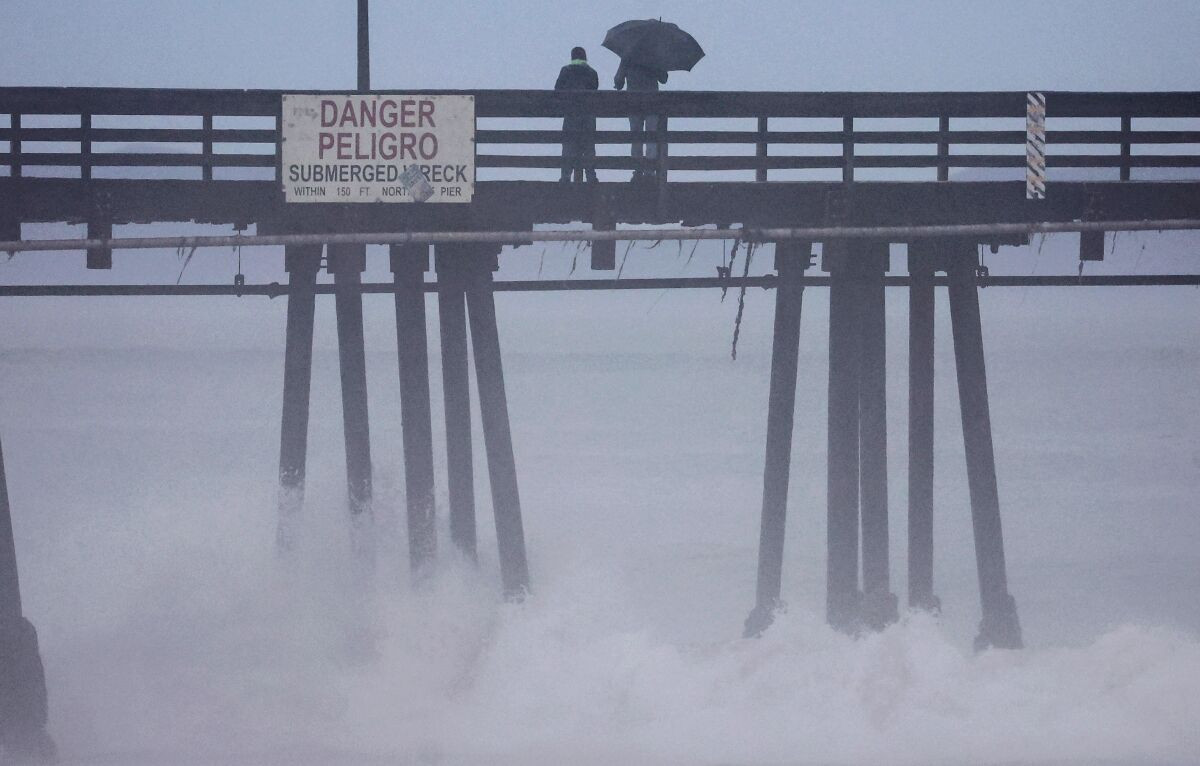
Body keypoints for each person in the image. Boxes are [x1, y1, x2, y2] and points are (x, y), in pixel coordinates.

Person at [614, 58, 668, 180]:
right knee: (651, 137)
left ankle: (637, 170)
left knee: (636, 137)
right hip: (652, 102)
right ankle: (649, 171)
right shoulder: (654, 56)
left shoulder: (628, 57)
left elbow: (618, 82)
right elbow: (664, 78)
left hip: (634, 103)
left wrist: (620, 81)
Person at [554, 46, 599, 183]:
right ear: (585, 58)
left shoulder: (566, 71)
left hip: (571, 112)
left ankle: (566, 175)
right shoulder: (592, 72)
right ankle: (590, 175)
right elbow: (595, 89)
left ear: (572, 57)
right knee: (589, 145)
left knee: (568, 144)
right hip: (588, 113)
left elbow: (557, 90)